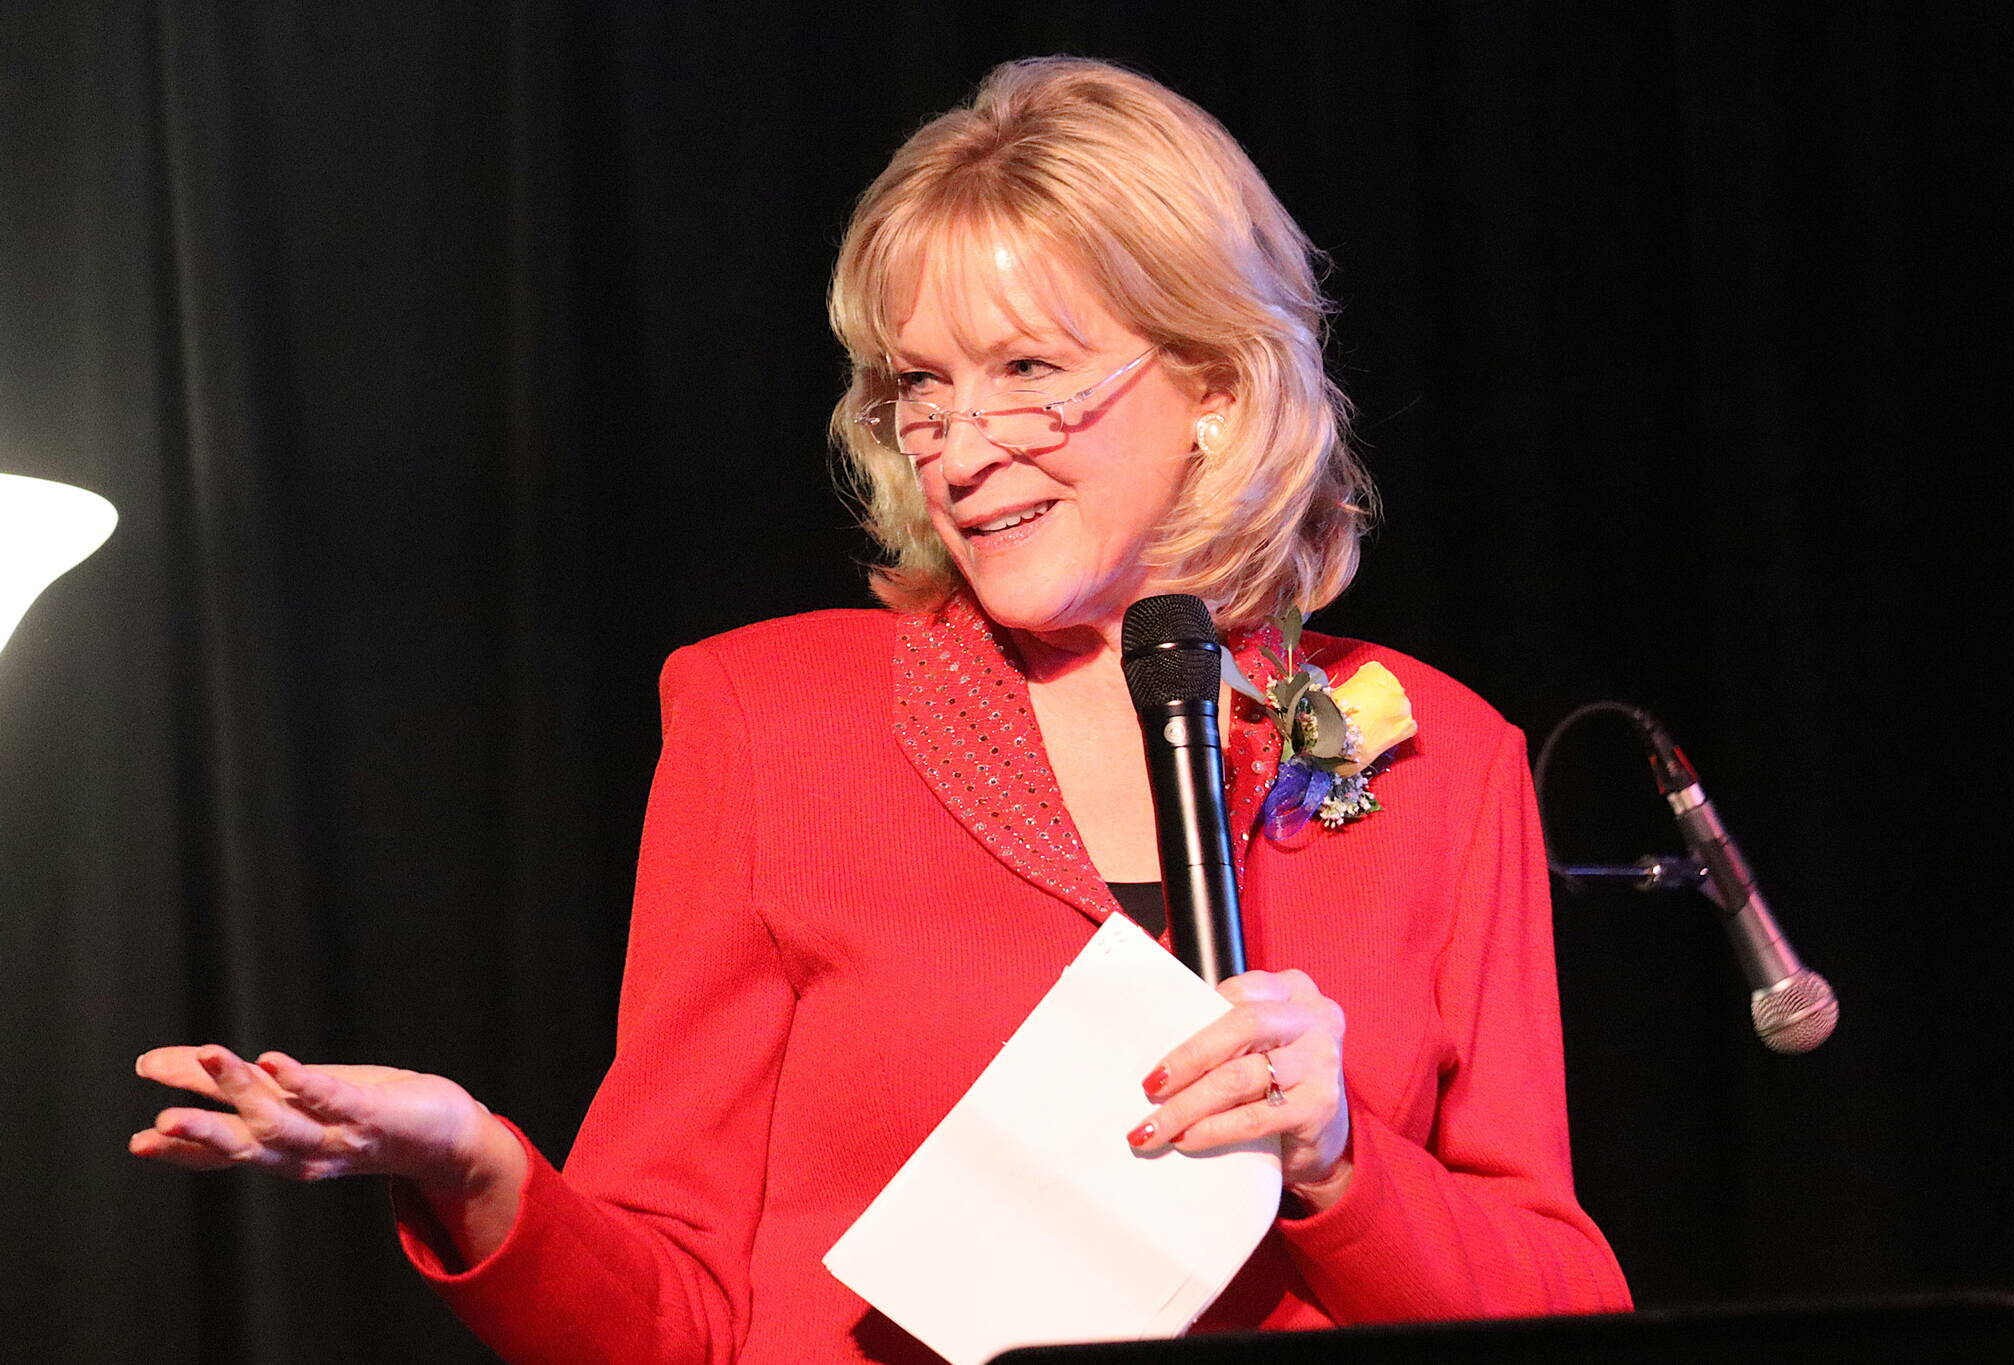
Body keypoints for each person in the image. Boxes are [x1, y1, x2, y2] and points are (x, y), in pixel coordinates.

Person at [130, 56, 1630, 1362]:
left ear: (1220, 387)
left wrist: (1343, 1158)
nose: (961, 446)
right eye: (920, 383)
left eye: (1029, 370)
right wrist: (477, 1172)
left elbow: (1564, 1299)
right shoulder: (769, 717)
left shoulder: (1436, 753)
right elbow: (679, 1316)